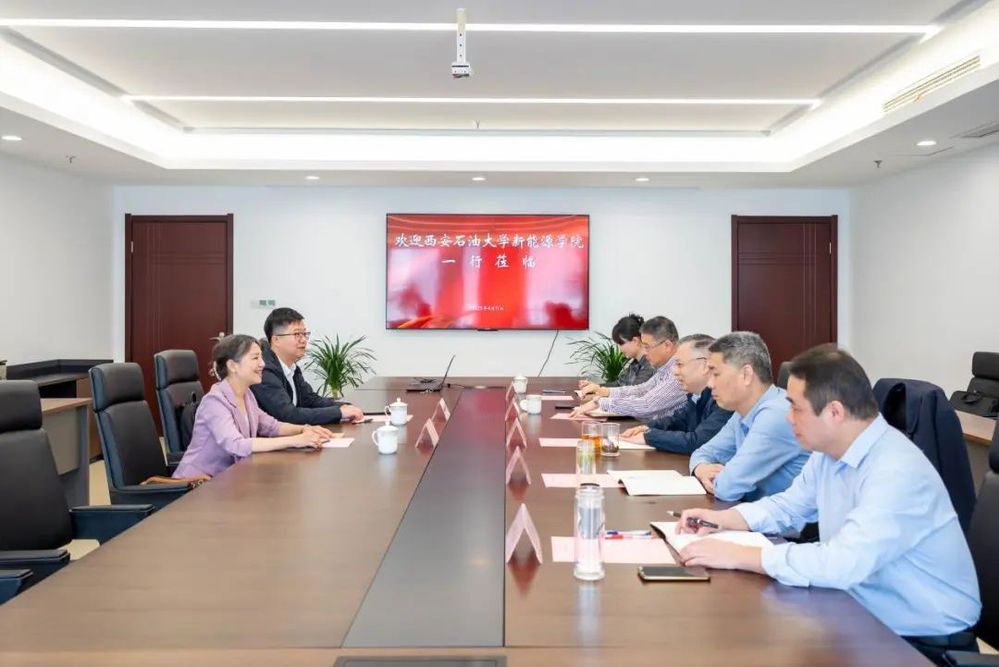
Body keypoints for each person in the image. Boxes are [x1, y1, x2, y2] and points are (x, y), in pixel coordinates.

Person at [675, 346, 981, 666]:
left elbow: (843, 561)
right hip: (861, 612)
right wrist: (724, 519)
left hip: (921, 642)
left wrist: (741, 555)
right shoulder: (829, 451)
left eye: (796, 408)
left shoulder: (895, 469)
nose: (788, 418)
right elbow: (789, 507)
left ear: (834, 412)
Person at [173, 335, 336, 479]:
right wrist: (295, 441)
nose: (262, 364)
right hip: (196, 486)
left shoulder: (247, 394)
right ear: (233, 366)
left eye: (261, 358)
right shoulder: (215, 401)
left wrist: (304, 429)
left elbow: (272, 426)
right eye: (255, 358)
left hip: (230, 480)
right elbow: (236, 445)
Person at [688, 332, 809, 501]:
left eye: (716, 374)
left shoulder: (776, 414)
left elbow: (728, 488)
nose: (710, 384)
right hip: (752, 510)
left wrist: (724, 475)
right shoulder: (742, 411)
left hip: (781, 516)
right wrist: (702, 469)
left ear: (746, 374)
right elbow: (703, 452)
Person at [620, 334, 733, 454]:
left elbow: (698, 442)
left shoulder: (725, 400)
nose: (674, 372)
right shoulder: (696, 395)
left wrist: (649, 437)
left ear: (705, 365)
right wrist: (647, 428)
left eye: (679, 364)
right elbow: (679, 420)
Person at [251, 308, 365, 424]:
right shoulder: (264, 371)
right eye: (297, 334)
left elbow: (310, 400)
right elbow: (288, 415)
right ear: (276, 340)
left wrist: (344, 406)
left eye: (305, 334)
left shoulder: (292, 367)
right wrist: (339, 412)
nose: (304, 340)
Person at [571, 316, 686, 422]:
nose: (645, 352)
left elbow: (646, 405)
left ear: (667, 345)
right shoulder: (665, 368)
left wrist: (600, 402)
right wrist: (605, 392)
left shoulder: (679, 373)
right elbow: (642, 389)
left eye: (647, 347)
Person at [579, 314, 655, 391]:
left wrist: (599, 390)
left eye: (621, 343)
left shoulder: (650, 366)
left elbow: (633, 392)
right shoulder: (635, 363)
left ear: (635, 340)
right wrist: (596, 386)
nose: (620, 349)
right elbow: (619, 384)